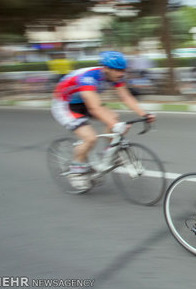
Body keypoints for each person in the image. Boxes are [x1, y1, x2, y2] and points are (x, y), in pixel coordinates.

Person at [51, 51, 156, 190]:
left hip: (83, 101)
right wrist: (115, 125)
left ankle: (111, 152)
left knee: (114, 118)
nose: (121, 74)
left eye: (123, 70)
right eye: (117, 70)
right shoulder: (89, 77)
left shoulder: (116, 77)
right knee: (90, 138)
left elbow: (126, 97)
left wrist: (144, 114)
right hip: (65, 104)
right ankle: (75, 170)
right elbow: (94, 108)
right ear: (106, 68)